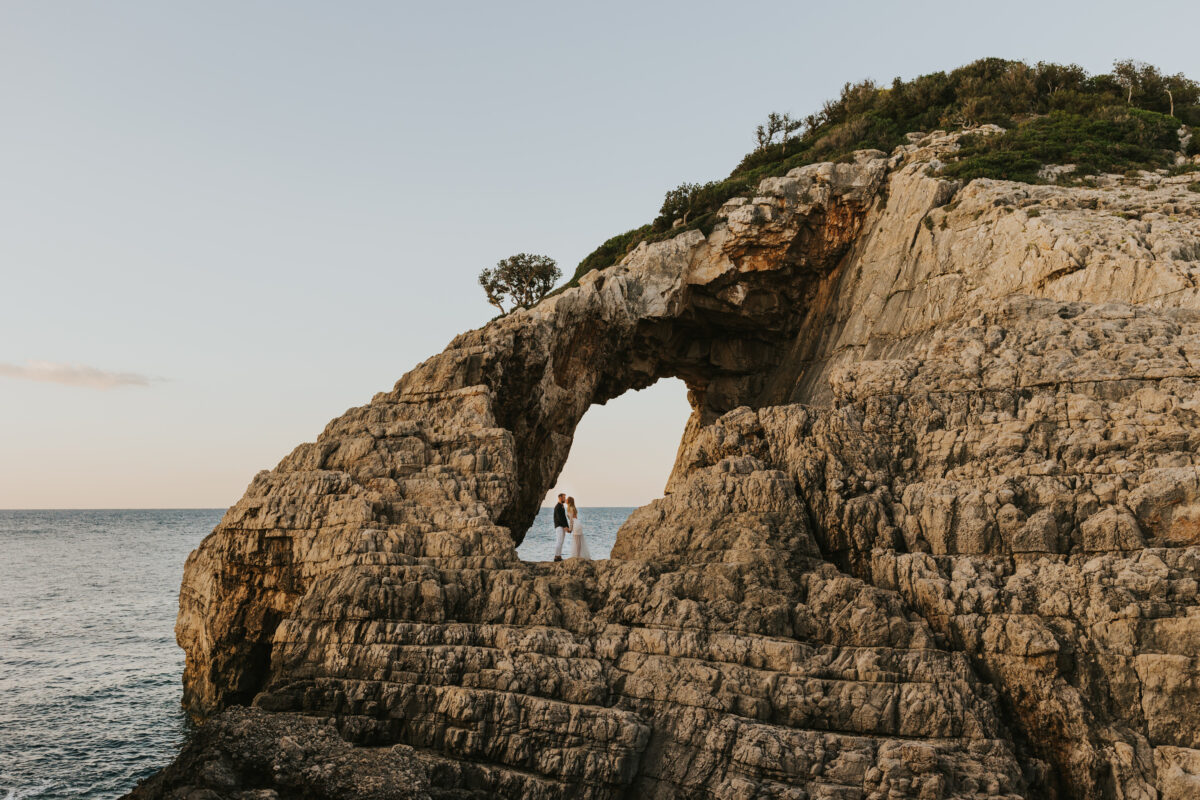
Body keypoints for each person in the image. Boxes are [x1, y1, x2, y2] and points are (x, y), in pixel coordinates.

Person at [552, 493, 569, 562]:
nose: (565, 499)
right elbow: (560, 518)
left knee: (561, 541)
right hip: (559, 526)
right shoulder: (558, 507)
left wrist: (567, 526)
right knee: (559, 541)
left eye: (565, 497)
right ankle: (556, 557)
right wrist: (565, 526)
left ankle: (559, 556)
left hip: (562, 526)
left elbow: (564, 518)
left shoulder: (561, 506)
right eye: (564, 497)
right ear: (560, 498)